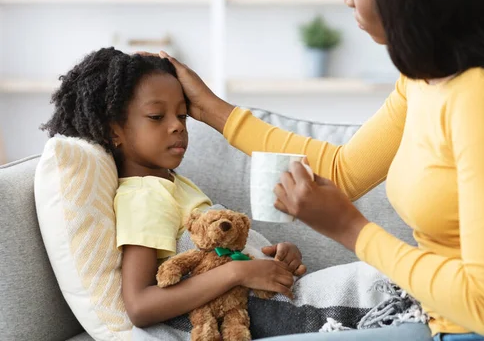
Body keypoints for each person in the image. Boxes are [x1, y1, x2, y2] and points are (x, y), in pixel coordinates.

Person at [156, 0, 484, 340]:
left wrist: (350, 228)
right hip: (449, 321)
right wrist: (209, 107)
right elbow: (341, 171)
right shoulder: (425, 80)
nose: (346, 2)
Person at [41, 48, 307, 330]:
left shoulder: (174, 184)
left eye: (182, 116)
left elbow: (214, 253)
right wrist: (239, 272)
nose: (176, 127)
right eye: (157, 116)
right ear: (114, 131)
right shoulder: (144, 196)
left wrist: (270, 256)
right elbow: (140, 305)